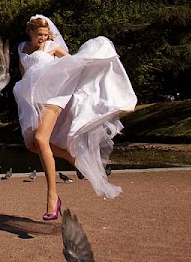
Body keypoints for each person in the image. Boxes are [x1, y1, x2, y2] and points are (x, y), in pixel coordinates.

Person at [13, 15, 137, 220]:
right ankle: (76, 159)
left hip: (55, 94)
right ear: (30, 33)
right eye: (39, 35)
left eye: (45, 35)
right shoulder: (22, 49)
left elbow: (72, 64)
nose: (42, 38)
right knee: (33, 145)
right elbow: (24, 74)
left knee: (41, 139)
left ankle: (52, 199)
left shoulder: (53, 47)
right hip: (33, 98)